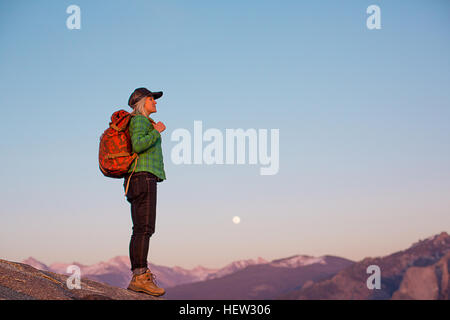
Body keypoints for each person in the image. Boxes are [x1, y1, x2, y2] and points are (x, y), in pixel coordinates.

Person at [123, 87, 167, 296]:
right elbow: (138, 145)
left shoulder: (143, 122)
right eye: (152, 99)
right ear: (142, 102)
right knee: (144, 228)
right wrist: (156, 131)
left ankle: (140, 274)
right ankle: (140, 277)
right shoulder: (140, 120)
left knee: (142, 228)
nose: (155, 102)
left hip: (141, 178)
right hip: (143, 177)